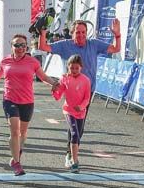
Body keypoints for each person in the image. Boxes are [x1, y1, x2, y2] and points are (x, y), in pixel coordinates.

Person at [40, 19, 121, 167]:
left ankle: (71, 153)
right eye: (78, 32)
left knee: (79, 126)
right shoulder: (65, 45)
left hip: (87, 92)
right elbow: (43, 46)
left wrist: (117, 35)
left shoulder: (94, 44)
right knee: (74, 127)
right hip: (70, 91)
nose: (81, 35)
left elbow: (116, 49)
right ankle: (70, 155)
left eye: (83, 32)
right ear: (72, 33)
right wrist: (43, 33)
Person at [0, 34, 60, 175]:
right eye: (16, 45)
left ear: (27, 46)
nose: (20, 48)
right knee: (14, 130)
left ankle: (15, 155)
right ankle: (17, 164)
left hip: (27, 101)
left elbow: (42, 76)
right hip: (10, 99)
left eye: (23, 45)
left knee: (23, 133)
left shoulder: (33, 62)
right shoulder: (5, 61)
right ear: (11, 46)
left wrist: (54, 83)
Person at [51, 55, 92, 172]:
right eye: (71, 68)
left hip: (80, 112)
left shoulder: (86, 80)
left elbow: (87, 98)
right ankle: (75, 162)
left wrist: (81, 106)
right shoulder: (64, 78)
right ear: (68, 67)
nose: (74, 71)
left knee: (78, 136)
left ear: (81, 68)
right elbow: (58, 96)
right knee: (74, 133)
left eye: (76, 68)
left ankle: (70, 155)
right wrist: (55, 91)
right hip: (68, 110)